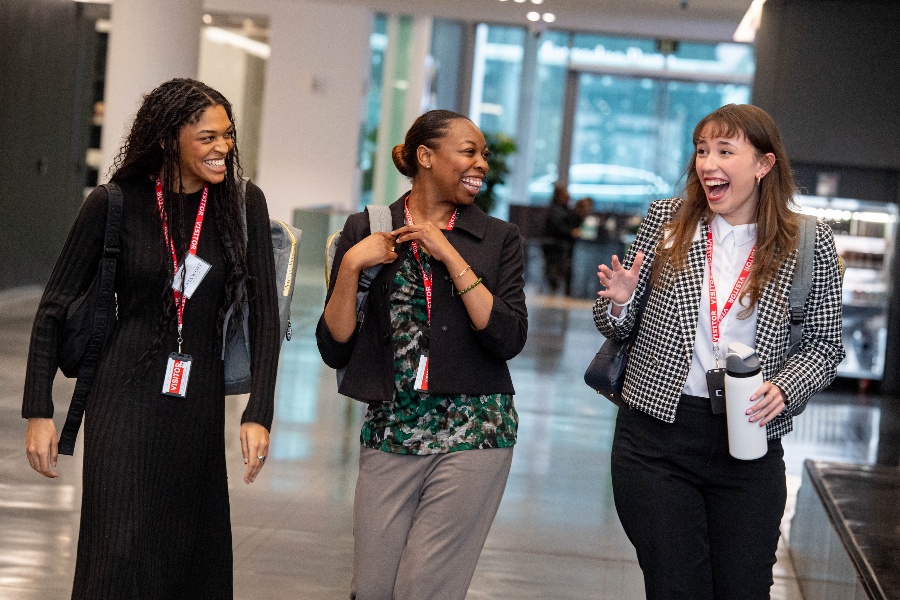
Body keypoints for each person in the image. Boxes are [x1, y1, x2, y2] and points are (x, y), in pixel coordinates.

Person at [23, 78, 281, 598]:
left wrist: (259, 411)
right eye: (207, 137)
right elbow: (52, 308)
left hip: (198, 404)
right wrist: (38, 411)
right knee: (117, 554)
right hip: (124, 399)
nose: (223, 149)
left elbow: (265, 317)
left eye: (227, 136)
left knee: (192, 555)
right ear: (169, 138)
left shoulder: (241, 202)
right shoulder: (115, 203)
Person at [594, 104, 844, 599]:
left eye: (725, 151)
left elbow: (824, 344)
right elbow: (614, 327)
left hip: (749, 440)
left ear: (763, 164)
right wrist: (620, 304)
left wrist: (786, 387)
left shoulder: (807, 241)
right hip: (656, 442)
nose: (708, 163)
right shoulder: (668, 221)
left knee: (743, 588)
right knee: (676, 587)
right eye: (702, 150)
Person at [317, 109, 527, 600]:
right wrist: (351, 266)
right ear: (426, 157)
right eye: (469, 151)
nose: (482, 164)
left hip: (475, 430)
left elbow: (507, 338)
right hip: (392, 427)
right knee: (370, 588)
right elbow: (335, 345)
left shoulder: (498, 239)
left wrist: (450, 255)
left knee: (424, 588)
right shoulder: (366, 229)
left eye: (484, 154)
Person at [542, 183, 582, 295]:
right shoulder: (555, 210)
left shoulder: (563, 209)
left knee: (558, 268)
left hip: (559, 244)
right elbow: (557, 227)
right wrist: (571, 232)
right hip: (553, 244)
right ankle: (553, 290)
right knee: (554, 269)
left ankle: (556, 290)